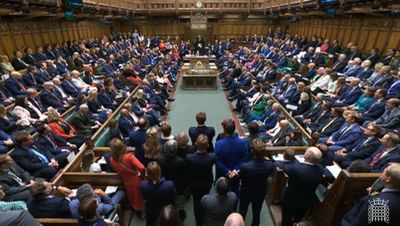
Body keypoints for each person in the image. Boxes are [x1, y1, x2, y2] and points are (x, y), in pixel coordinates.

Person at [279, 147, 324, 226]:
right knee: (298, 219)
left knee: (286, 219)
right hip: (305, 201)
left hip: (290, 199)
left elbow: (284, 167)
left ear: (306, 155)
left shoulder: (296, 168)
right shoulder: (321, 169)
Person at [238, 139, 275, 226]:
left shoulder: (245, 166)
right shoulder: (270, 165)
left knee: (242, 212)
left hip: (246, 192)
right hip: (260, 192)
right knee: (256, 213)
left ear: (252, 151)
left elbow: (240, 176)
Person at [186, 134, 216, 226]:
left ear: (195, 144)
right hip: (206, 183)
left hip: (194, 184)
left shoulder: (189, 157)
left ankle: (198, 223)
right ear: (207, 145)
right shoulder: (212, 157)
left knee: (196, 202)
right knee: (206, 200)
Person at [109, 138, 145, 215]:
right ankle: (141, 213)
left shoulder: (111, 160)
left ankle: (135, 209)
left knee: (132, 195)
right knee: (138, 197)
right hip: (136, 179)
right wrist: (142, 176)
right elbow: (142, 168)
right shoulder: (129, 157)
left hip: (126, 180)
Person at [215, 119, 248, 194]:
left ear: (224, 130)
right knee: (234, 192)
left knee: (221, 193)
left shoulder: (219, 144)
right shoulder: (242, 143)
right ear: (234, 129)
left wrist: (227, 171)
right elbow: (244, 158)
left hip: (223, 173)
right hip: (235, 174)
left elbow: (217, 160)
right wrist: (235, 170)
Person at [140, 161, 177, 226]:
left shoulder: (143, 185)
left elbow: (144, 199)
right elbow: (174, 196)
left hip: (152, 212)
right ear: (160, 172)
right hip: (167, 212)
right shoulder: (169, 184)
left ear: (147, 174)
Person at [157, 140, 186, 219]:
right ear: (176, 150)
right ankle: (180, 214)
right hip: (178, 185)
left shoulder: (160, 159)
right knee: (179, 201)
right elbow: (183, 174)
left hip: (164, 183)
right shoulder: (180, 161)